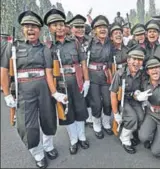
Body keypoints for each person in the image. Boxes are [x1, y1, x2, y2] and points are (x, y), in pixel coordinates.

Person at [1, 10, 63, 168]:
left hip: (44, 90)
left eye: (34, 26)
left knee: (48, 120)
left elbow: (49, 73)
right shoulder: (13, 47)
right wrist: (7, 94)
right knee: (28, 126)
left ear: (39, 30)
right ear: (22, 29)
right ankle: (38, 153)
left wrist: (54, 93)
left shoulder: (45, 49)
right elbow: (4, 72)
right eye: (27, 26)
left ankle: (48, 146)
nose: (31, 29)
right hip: (23, 92)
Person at [44, 9, 90, 155]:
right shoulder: (48, 47)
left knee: (80, 110)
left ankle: (82, 137)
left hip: (77, 81)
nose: (59, 27)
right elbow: (49, 72)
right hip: (61, 84)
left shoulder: (74, 42)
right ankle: (74, 140)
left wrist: (87, 80)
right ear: (50, 28)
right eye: (55, 25)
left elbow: (83, 63)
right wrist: (54, 92)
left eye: (61, 24)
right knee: (67, 112)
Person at [110, 45, 150, 154]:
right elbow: (113, 94)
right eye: (134, 59)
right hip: (122, 101)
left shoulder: (141, 74)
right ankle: (125, 139)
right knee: (132, 117)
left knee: (141, 117)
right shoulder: (120, 74)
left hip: (134, 100)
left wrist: (141, 94)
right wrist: (116, 113)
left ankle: (131, 132)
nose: (137, 62)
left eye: (140, 60)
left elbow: (143, 88)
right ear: (128, 60)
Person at [87, 15, 113, 139]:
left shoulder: (110, 43)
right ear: (94, 30)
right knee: (96, 103)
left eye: (104, 27)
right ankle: (97, 124)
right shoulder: (90, 42)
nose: (102, 30)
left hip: (106, 76)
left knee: (108, 102)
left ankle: (106, 123)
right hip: (93, 77)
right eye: (99, 27)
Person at [67, 14, 94, 127]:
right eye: (76, 27)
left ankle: (89, 118)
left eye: (82, 27)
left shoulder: (91, 40)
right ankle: (80, 118)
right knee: (79, 97)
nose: (80, 30)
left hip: (90, 72)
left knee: (90, 95)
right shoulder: (68, 42)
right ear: (71, 28)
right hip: (76, 74)